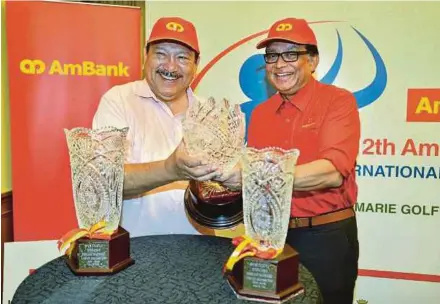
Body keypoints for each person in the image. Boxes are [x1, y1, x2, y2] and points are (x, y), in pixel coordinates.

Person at [218, 18, 361, 303]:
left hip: (324, 236)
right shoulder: (259, 114)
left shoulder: (338, 102)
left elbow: (332, 173)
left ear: (313, 60)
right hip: (269, 238)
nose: (280, 63)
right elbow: (256, 184)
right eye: (272, 55)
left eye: (291, 54)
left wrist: (251, 177)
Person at [92, 17, 221, 237]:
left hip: (200, 250)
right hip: (133, 251)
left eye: (182, 57)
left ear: (195, 65)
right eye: (161, 54)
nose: (170, 66)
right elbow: (104, 179)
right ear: (145, 57)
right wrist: (170, 169)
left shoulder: (211, 114)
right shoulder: (118, 101)